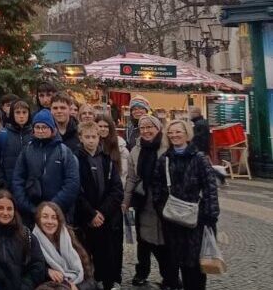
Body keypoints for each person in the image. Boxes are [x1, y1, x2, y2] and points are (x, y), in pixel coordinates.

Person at [153, 120, 219, 290]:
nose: (174, 135)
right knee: (177, 261)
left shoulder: (199, 158)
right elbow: (157, 187)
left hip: (195, 219)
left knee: (195, 264)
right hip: (172, 219)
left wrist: (209, 216)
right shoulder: (165, 159)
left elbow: (210, 187)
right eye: (171, 132)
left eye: (178, 132)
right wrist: (162, 210)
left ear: (187, 133)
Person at [123, 114, 179, 289]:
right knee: (143, 240)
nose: (146, 131)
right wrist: (126, 201)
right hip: (144, 202)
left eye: (150, 127)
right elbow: (131, 178)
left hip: (164, 202)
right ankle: (142, 272)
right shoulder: (135, 150)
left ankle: (170, 278)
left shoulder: (167, 147)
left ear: (158, 128)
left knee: (166, 243)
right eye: (143, 128)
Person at [75, 121, 124, 290]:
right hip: (86, 217)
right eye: (87, 137)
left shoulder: (107, 159)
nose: (90, 141)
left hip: (105, 217)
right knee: (86, 254)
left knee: (107, 255)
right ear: (80, 138)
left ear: (99, 138)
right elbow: (76, 191)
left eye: (94, 137)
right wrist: (91, 214)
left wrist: (102, 212)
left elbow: (117, 190)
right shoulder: (76, 159)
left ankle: (109, 282)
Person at [11, 109, 79, 225]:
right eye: (37, 127)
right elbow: (18, 180)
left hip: (58, 213)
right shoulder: (27, 150)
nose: (41, 131)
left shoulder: (64, 152)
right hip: (31, 214)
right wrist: (29, 207)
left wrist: (52, 207)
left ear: (52, 129)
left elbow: (72, 183)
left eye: (44, 127)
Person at [33, 201, 96, 290]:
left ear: (59, 221)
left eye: (54, 218)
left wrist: (78, 288)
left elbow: (90, 281)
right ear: (38, 219)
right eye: (45, 217)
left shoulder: (71, 238)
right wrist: (46, 271)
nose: (50, 221)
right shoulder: (32, 242)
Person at [0, 99, 32, 190]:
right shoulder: (3, 134)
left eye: (24, 112)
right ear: (12, 115)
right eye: (17, 112)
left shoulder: (35, 134)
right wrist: (1, 181)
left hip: (30, 187)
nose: (21, 116)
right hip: (9, 186)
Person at [96, 114, 130, 180]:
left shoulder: (120, 146)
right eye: (100, 126)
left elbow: (124, 173)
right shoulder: (91, 145)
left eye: (106, 126)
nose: (103, 129)